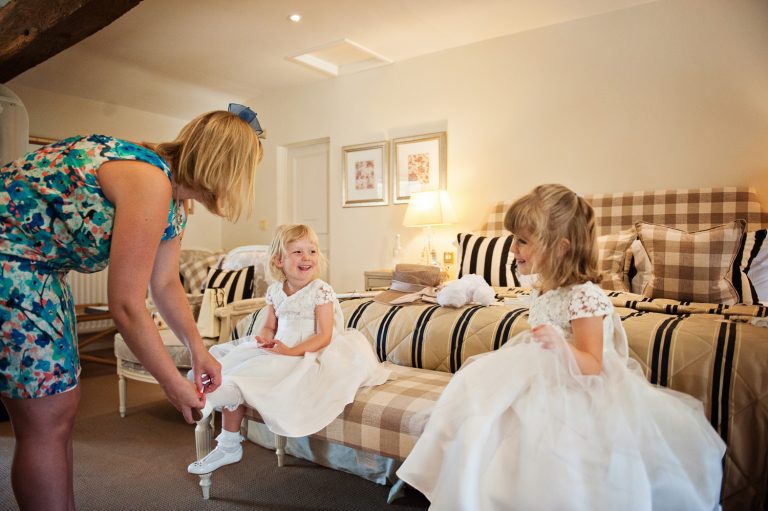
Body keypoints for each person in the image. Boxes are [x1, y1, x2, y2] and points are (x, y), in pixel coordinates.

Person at [396, 184, 726, 510]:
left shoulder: (584, 297)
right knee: (482, 411)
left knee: (550, 454)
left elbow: (593, 364)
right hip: (541, 375)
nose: (512, 248)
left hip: (580, 389)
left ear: (560, 247)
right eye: (514, 239)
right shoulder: (544, 289)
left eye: (522, 241)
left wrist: (560, 346)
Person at [0, 104, 264, 511]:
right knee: (46, 416)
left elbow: (165, 284)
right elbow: (125, 304)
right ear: (225, 167)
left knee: (59, 407)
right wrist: (172, 383)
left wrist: (198, 350)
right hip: (12, 260)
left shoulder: (174, 202)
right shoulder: (149, 181)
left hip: (43, 271)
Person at [187, 224, 391, 475]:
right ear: (278, 260)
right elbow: (269, 327)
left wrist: (291, 351)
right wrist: (264, 340)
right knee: (240, 368)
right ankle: (228, 441)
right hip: (281, 349)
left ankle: (216, 414)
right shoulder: (275, 291)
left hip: (311, 352)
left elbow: (324, 335)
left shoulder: (320, 290)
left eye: (312, 251)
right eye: (297, 252)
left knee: (254, 376)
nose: (307, 257)